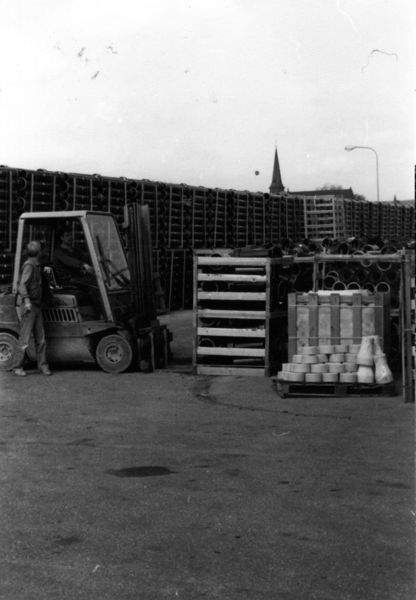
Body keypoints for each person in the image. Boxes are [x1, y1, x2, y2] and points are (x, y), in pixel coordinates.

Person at [13, 241, 52, 377]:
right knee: (24, 340)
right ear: (39, 253)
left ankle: (43, 366)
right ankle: (17, 366)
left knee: (41, 339)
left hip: (37, 306)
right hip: (30, 307)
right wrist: (27, 300)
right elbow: (22, 285)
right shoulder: (29, 266)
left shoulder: (36, 265)